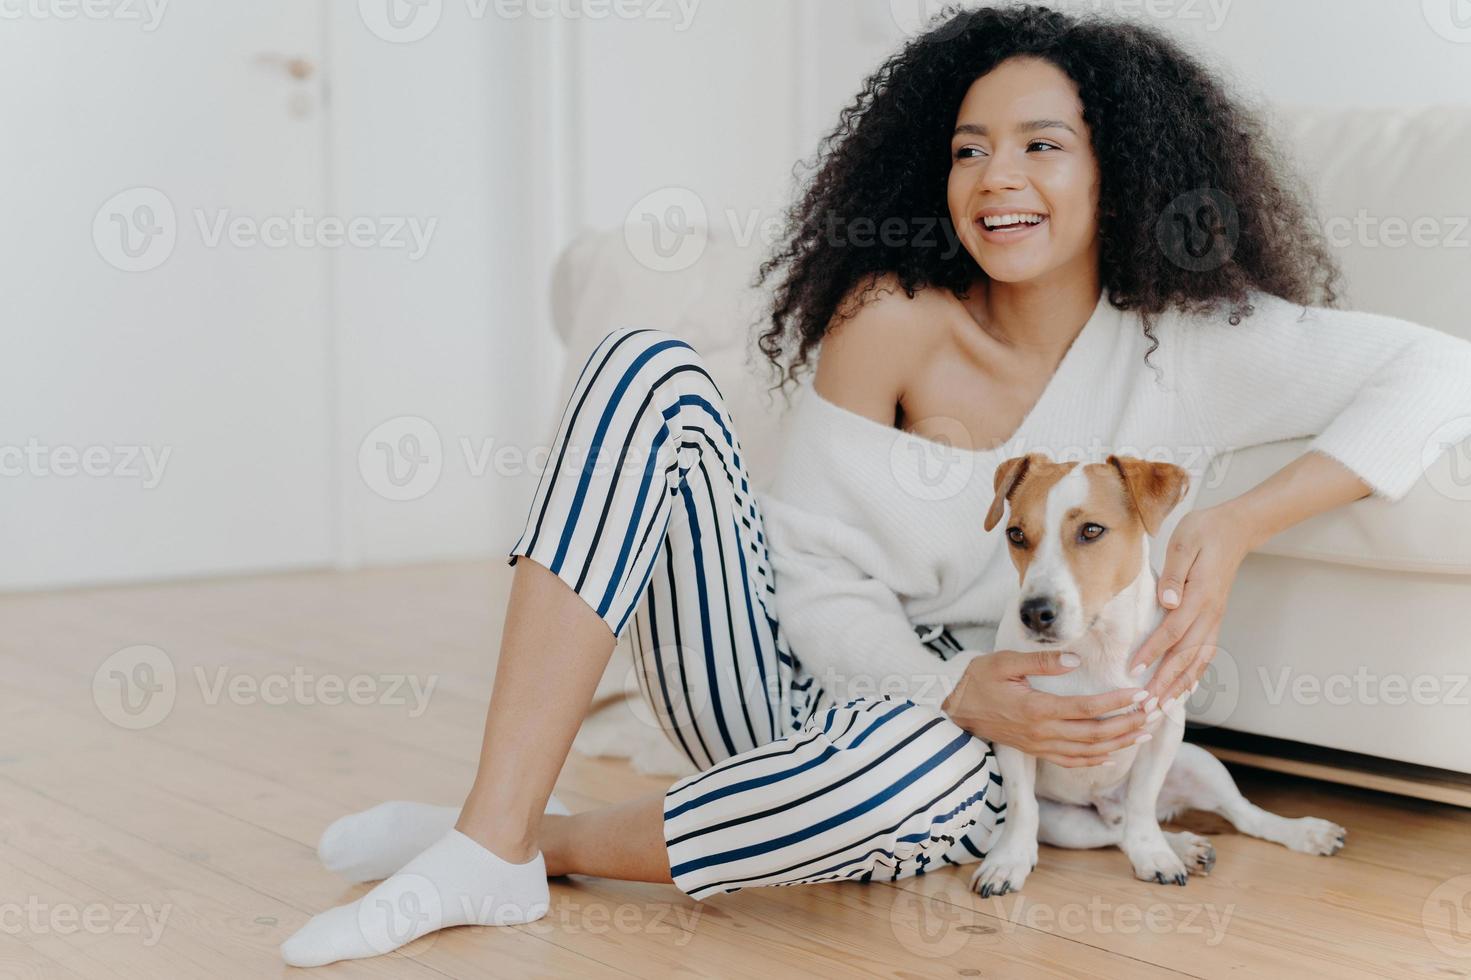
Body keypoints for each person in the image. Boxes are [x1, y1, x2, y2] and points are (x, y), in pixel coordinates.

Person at [281, 4, 1471, 966]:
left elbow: (1440, 370)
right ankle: (487, 827)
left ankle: (514, 847)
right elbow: (806, 579)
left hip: (920, 768)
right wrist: (952, 684)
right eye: (969, 148)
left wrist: (1237, 522)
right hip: (782, 686)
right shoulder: (887, 319)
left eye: (1041, 144)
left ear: (1125, 167)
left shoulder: (1194, 346)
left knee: (905, 779)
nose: (996, 175)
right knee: (641, 364)